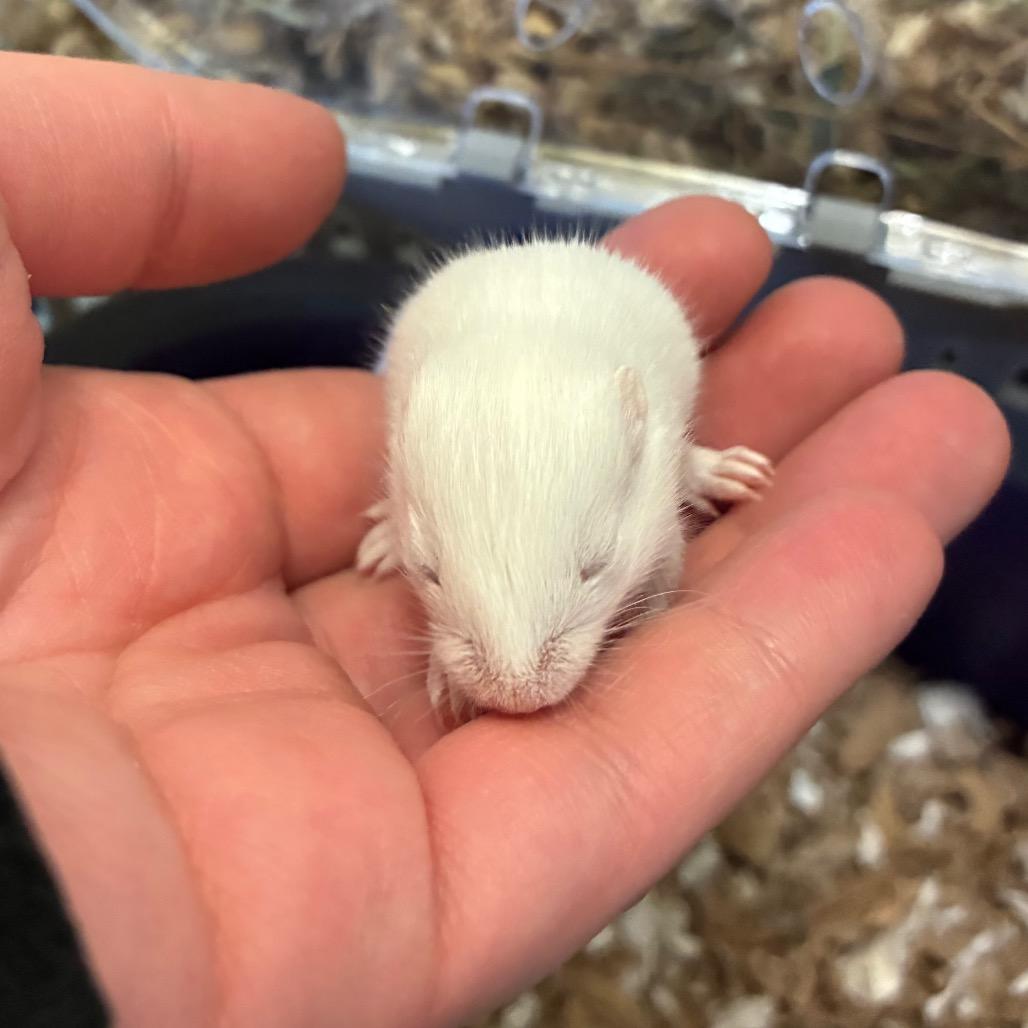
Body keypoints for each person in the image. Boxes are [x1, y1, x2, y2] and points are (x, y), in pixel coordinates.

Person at [0, 51, 1010, 1028]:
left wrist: (689, 467)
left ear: (643, 446)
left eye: (584, 567)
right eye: (435, 571)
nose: (514, 679)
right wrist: (425, 555)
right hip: (463, 343)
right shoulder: (422, 417)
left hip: (596, 335)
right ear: (401, 467)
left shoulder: (633, 415)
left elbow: (641, 480)